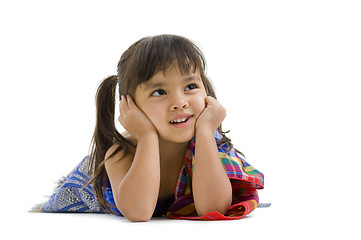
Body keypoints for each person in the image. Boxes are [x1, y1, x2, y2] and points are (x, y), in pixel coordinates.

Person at [33, 34, 265, 221]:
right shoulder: (120, 152)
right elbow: (138, 212)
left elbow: (213, 208)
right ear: (129, 106)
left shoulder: (210, 143)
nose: (180, 102)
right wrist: (146, 137)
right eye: (159, 92)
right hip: (86, 189)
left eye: (191, 86)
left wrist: (205, 132)